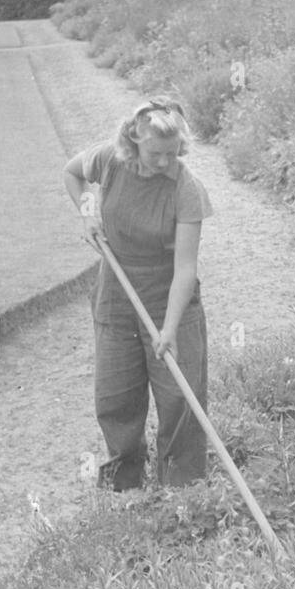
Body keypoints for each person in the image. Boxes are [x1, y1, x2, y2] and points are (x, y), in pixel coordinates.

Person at [62, 98, 214, 491]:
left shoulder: (186, 189)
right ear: (134, 138)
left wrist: (169, 328)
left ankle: (182, 491)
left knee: (180, 399)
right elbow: (72, 173)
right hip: (116, 292)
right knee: (116, 396)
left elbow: (185, 269)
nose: (165, 162)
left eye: (172, 152)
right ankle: (125, 483)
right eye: (155, 153)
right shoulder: (110, 161)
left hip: (169, 297)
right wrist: (88, 210)